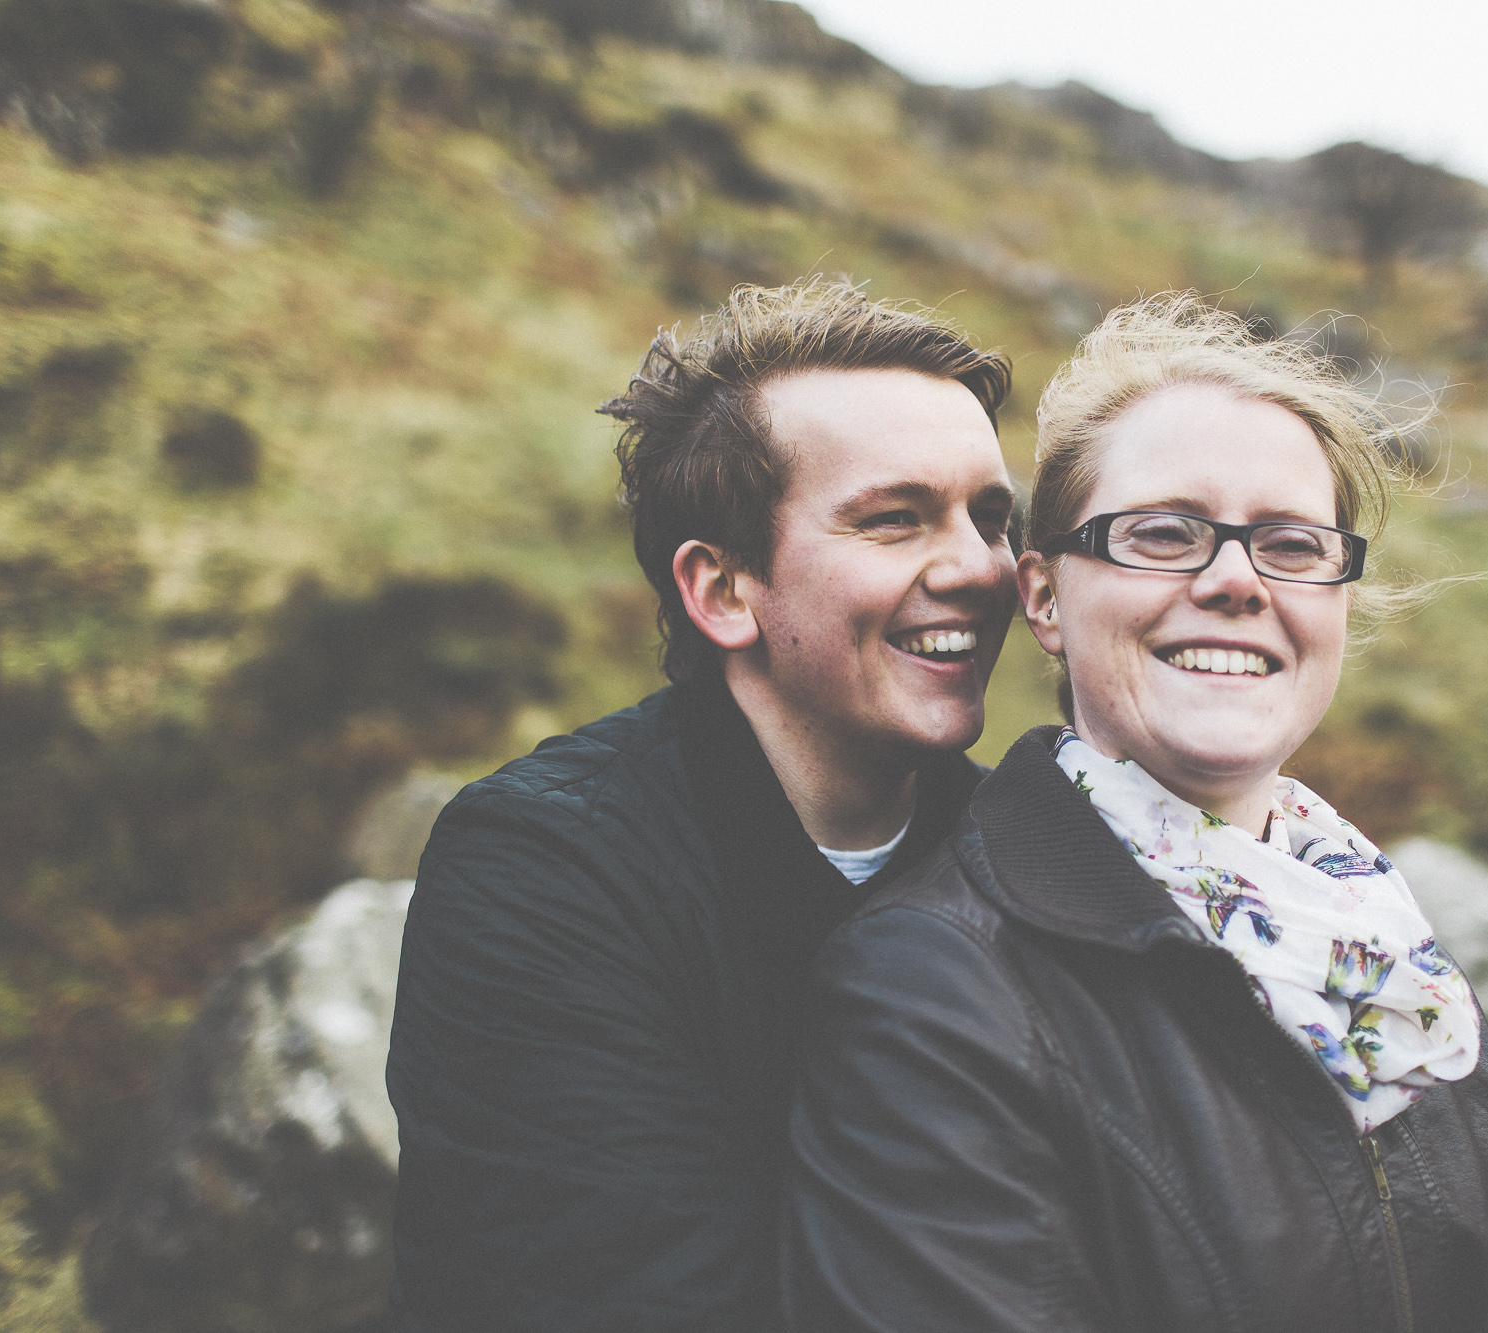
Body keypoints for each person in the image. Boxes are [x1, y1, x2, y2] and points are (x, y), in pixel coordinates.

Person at [782, 294, 1488, 1333]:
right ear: (1041, 596)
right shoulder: (928, 990)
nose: (1232, 581)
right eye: (1163, 534)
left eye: (1292, 545)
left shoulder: (1376, 938)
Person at [386, 280, 1019, 1332]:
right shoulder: (543, 871)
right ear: (722, 590)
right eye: (895, 519)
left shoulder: (1031, 858)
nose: (978, 569)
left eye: (989, 517)